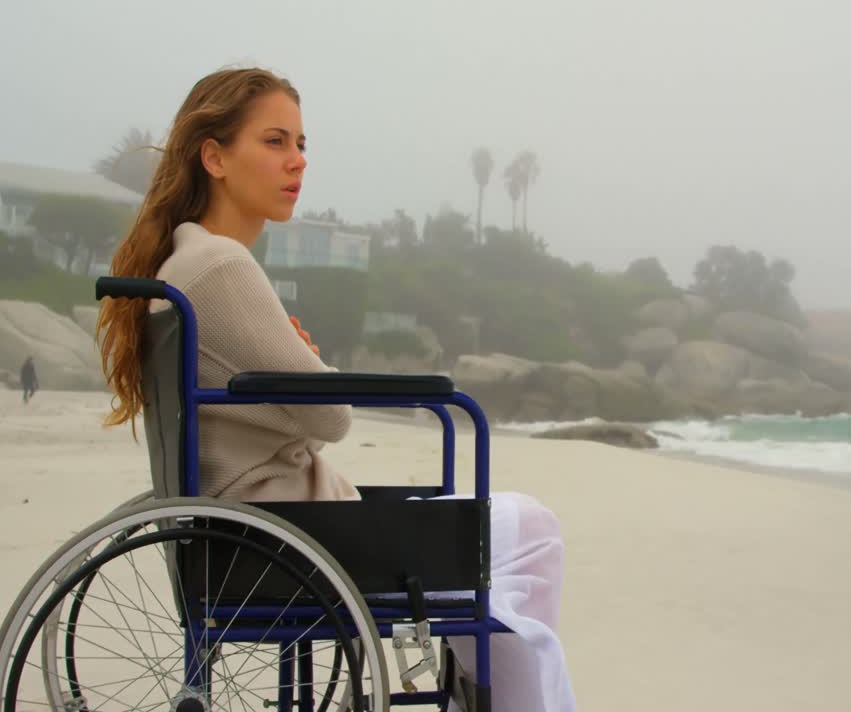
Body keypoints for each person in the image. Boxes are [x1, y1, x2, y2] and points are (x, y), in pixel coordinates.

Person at [94, 67, 575, 712]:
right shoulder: (220, 266)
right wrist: (311, 364)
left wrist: (296, 367)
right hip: (285, 531)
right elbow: (332, 417)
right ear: (214, 156)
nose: (297, 161)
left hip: (245, 532)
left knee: (493, 551)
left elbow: (262, 402)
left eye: (301, 143)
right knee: (535, 531)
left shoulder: (186, 264)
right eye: (274, 141)